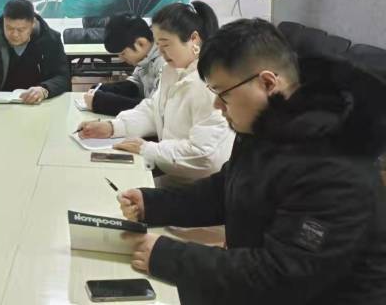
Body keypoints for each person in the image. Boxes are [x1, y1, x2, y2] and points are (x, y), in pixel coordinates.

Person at [119, 19, 386, 305]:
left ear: (268, 83)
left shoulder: (334, 167)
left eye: (223, 94)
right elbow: (226, 189)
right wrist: (153, 204)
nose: (217, 106)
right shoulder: (264, 126)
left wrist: (170, 257)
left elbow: (283, 275)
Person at [77, 2, 233, 184]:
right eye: (158, 45)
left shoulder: (209, 84)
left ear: (194, 39)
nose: (160, 52)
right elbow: (153, 110)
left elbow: (205, 156)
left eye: (165, 44)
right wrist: (113, 127)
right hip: (175, 173)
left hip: (202, 187)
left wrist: (148, 149)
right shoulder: (172, 71)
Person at [0, 0, 70, 104]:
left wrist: (44, 90)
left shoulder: (50, 39)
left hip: (39, 103)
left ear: (33, 24)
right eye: (9, 28)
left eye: (21, 29)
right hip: (0, 103)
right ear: (4, 21)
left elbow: (62, 77)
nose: (14, 34)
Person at [82, 13, 164, 116]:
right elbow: (136, 84)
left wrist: (102, 102)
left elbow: (154, 109)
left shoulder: (165, 62)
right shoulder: (145, 58)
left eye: (123, 53)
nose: (121, 58)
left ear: (141, 43)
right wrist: (102, 88)